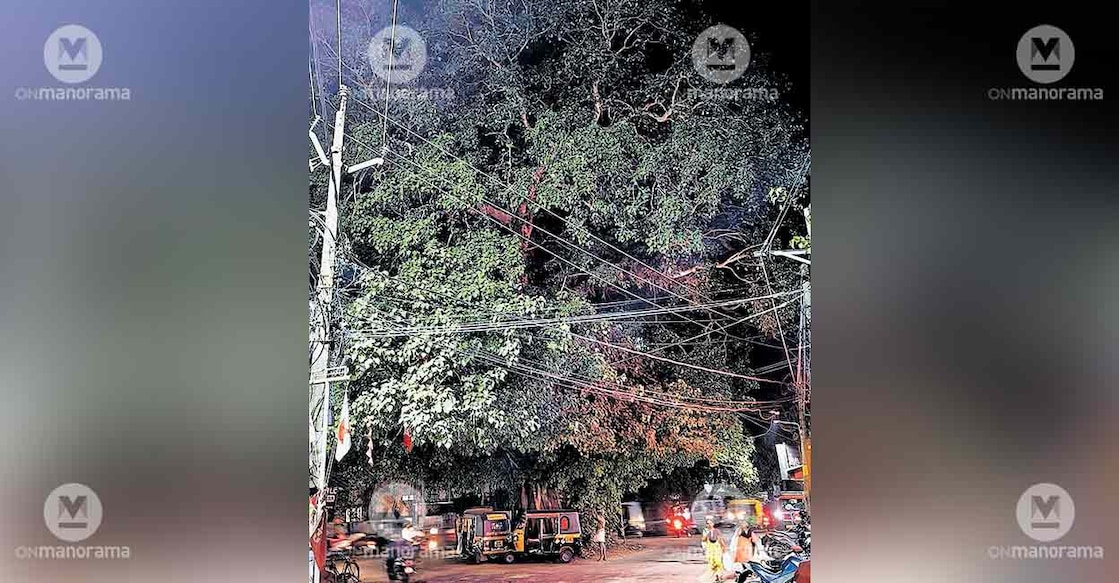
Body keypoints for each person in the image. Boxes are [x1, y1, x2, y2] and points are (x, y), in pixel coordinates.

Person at [701, 516, 725, 581]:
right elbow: (703, 540)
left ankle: (719, 576)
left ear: (713, 524)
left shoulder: (717, 531)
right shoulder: (705, 531)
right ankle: (715, 576)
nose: (709, 525)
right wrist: (707, 533)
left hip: (717, 548)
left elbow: (720, 539)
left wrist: (723, 548)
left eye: (710, 523)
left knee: (718, 562)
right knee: (712, 563)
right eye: (708, 523)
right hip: (710, 549)